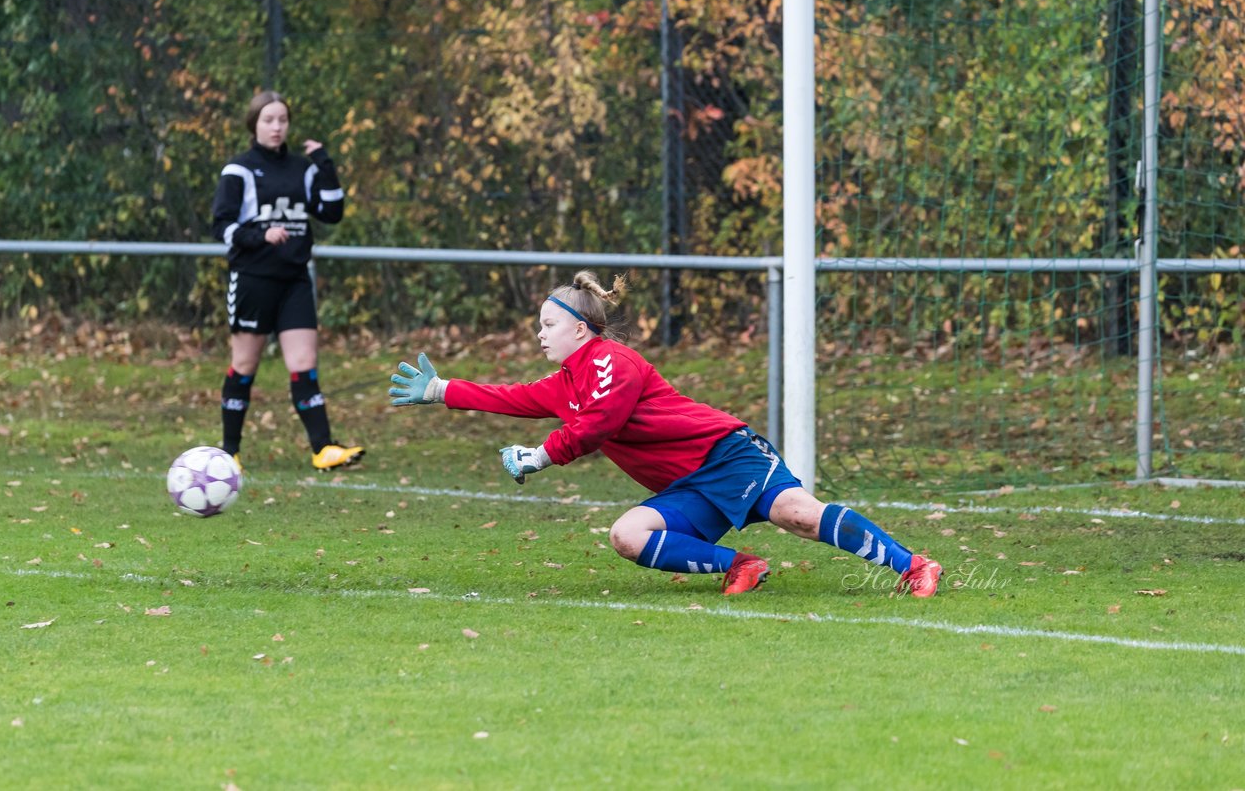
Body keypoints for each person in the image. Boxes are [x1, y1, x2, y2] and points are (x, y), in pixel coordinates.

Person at [389, 271, 942, 596]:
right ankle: (742, 566)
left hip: (728, 457)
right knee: (627, 536)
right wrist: (440, 389)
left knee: (799, 516)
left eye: (548, 325)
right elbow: (512, 397)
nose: (540, 335)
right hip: (689, 487)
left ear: (580, 329)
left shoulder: (611, 361)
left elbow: (596, 425)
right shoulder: (569, 380)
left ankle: (913, 565)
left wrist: (538, 457)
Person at [210, 90, 364, 472]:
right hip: (253, 279)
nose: (277, 127)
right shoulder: (239, 170)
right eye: (268, 120)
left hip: (294, 280)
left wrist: (325, 165)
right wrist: (259, 236)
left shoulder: (303, 168)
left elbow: (332, 212)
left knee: (304, 362)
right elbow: (221, 225)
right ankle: (229, 452)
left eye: (282, 120)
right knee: (244, 364)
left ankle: (323, 449)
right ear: (254, 124)